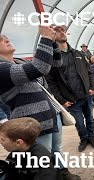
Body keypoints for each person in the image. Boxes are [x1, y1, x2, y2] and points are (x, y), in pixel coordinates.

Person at [0, 28, 79, 180]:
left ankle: (62, 174)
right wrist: (45, 38)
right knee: (42, 157)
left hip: (49, 114)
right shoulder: (2, 69)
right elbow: (39, 67)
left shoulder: (19, 61)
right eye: (1, 40)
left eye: (6, 37)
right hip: (31, 121)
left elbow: (55, 64)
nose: (6, 39)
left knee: (55, 149)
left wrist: (53, 41)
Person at [46, 25, 94, 152]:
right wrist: (61, 100)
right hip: (71, 99)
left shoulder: (78, 53)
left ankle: (92, 137)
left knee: (90, 118)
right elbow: (51, 82)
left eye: (63, 30)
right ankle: (84, 139)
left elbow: (89, 72)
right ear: (53, 35)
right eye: (58, 31)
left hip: (86, 95)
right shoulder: (53, 58)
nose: (62, 32)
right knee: (79, 123)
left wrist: (93, 87)